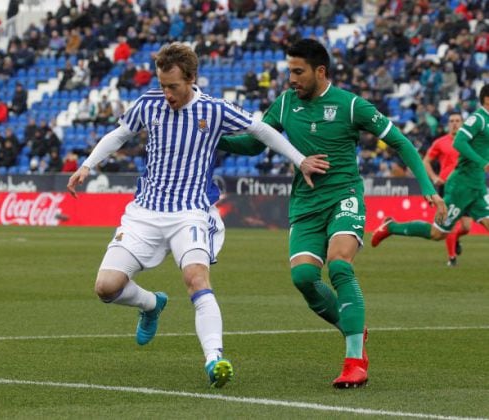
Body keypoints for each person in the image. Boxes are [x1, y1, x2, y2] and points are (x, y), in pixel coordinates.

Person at [67, 42, 328, 389]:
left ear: (191, 79)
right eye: (162, 85)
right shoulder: (149, 104)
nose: (167, 93)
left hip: (189, 213)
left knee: (196, 280)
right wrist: (87, 164)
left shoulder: (215, 110)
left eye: (173, 86)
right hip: (144, 212)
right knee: (106, 287)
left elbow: (262, 130)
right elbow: (120, 133)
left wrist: (299, 160)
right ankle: (150, 305)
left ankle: (214, 358)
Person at [218, 38, 446, 389]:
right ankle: (353, 325)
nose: (291, 79)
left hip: (344, 197)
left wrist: (427, 186)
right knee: (304, 279)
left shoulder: (351, 105)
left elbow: (399, 141)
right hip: (306, 205)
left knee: (339, 264)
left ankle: (355, 360)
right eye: (289, 71)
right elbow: (251, 144)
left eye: (298, 71)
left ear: (319, 71)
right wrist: (210, 136)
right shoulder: (284, 104)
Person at [373, 85, 489, 261]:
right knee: (437, 233)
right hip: (461, 186)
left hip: (478, 186)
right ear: (487, 99)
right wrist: (483, 163)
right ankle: (391, 227)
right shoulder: (478, 119)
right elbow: (459, 142)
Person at [422, 112, 472, 266]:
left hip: (465, 187)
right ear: (448, 124)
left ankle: (456, 239)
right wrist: (434, 177)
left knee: (466, 227)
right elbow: (426, 161)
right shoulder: (440, 142)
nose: (455, 123)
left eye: (457, 120)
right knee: (448, 223)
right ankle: (452, 258)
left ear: (462, 123)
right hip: (447, 186)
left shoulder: (470, 142)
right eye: (451, 121)